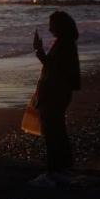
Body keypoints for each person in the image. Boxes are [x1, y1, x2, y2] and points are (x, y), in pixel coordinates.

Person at [30, 10, 81, 187]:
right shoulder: (64, 43)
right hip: (58, 92)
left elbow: (56, 69)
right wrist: (40, 51)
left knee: (53, 131)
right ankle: (62, 168)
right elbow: (55, 67)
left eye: (52, 24)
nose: (50, 28)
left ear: (60, 25)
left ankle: (56, 170)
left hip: (55, 93)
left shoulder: (65, 44)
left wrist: (40, 52)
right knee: (56, 129)